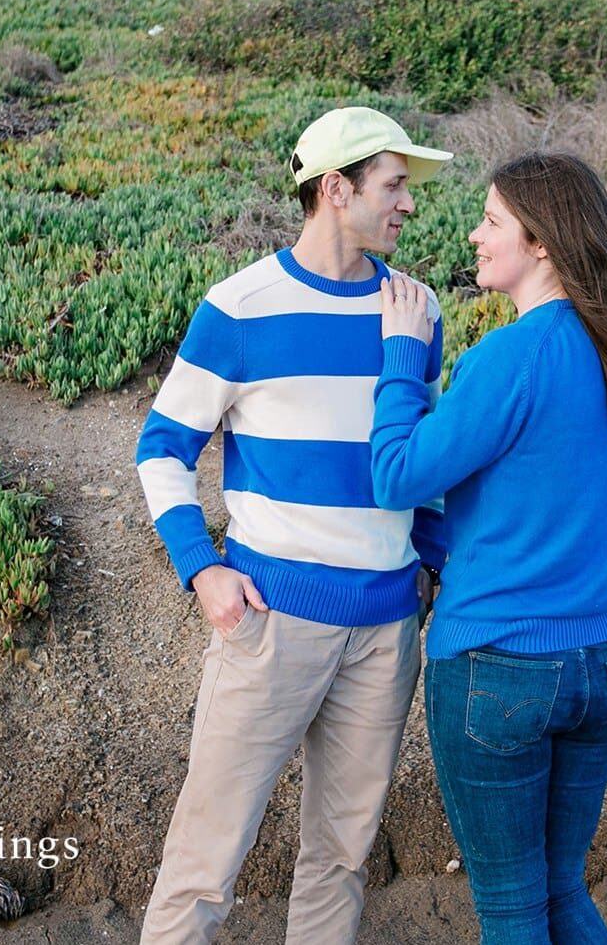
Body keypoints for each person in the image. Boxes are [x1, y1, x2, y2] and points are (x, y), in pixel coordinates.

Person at [134, 106, 453, 944]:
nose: (408, 205)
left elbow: (417, 464)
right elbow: (161, 448)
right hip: (271, 621)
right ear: (335, 190)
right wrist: (200, 568)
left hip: (387, 630)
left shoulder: (414, 314)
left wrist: (429, 568)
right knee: (205, 859)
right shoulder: (239, 307)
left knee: (341, 861)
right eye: (394, 185)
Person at [371, 151, 607, 944]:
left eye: (491, 220)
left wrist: (403, 359)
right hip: (602, 668)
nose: (474, 235)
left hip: (497, 666)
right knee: (560, 894)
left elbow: (398, 474)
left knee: (511, 911)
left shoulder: (509, 358)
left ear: (541, 242)